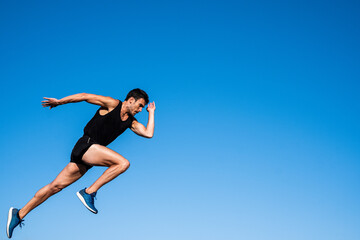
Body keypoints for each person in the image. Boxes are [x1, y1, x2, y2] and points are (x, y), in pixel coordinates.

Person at [6, 88, 155, 238]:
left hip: (89, 157)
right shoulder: (112, 104)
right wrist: (59, 101)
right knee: (122, 163)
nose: (141, 110)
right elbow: (85, 96)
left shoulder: (131, 122)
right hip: (86, 145)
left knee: (55, 187)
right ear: (130, 100)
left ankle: (19, 214)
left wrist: (152, 112)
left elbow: (148, 133)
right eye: (140, 105)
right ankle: (89, 192)